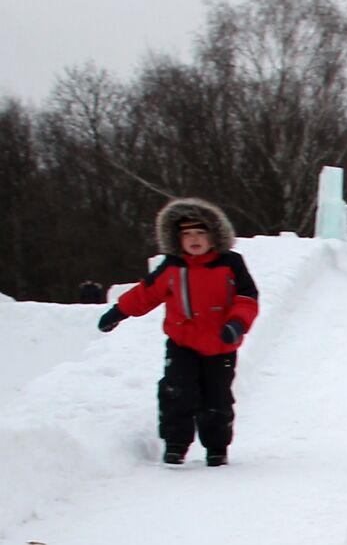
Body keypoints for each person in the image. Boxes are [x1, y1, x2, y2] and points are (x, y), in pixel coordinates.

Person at [95, 198, 258, 467]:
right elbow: (146, 293)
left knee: (216, 399)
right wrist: (118, 312)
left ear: (214, 235)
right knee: (177, 392)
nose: (194, 239)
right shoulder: (173, 267)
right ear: (177, 238)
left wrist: (236, 324)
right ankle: (176, 444)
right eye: (187, 234)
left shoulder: (231, 264)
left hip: (221, 345)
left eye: (200, 233)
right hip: (182, 344)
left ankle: (217, 448)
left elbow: (247, 298)